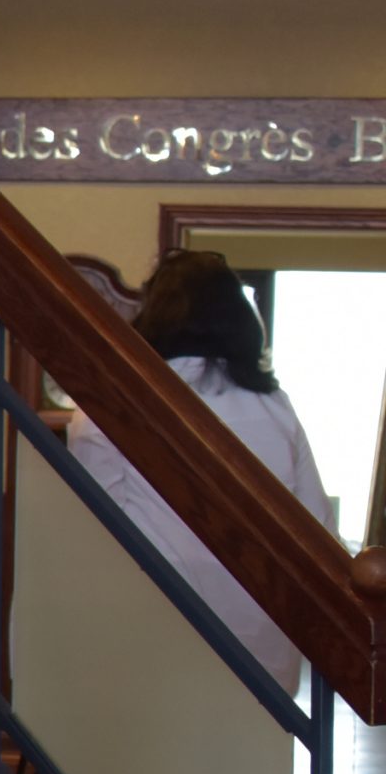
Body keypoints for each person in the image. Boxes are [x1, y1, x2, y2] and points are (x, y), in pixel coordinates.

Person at [67, 248, 329, 686]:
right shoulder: (274, 406)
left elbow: (94, 528)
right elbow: (316, 524)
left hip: (155, 629)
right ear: (241, 319)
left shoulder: (115, 403)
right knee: (251, 749)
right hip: (263, 633)